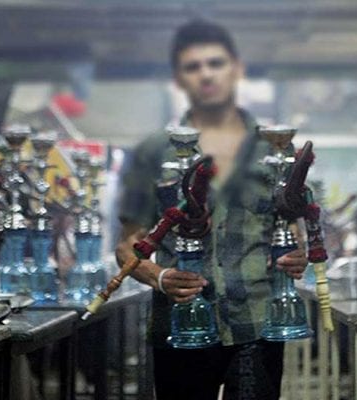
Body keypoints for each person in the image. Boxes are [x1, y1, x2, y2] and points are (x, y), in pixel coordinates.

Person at [115, 19, 308, 399]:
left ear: (236, 68)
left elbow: (292, 229)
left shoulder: (274, 148)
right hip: (179, 326)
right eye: (193, 66)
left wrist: (296, 254)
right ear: (179, 78)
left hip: (256, 324)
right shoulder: (153, 151)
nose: (206, 75)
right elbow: (126, 245)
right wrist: (160, 276)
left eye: (215, 63)